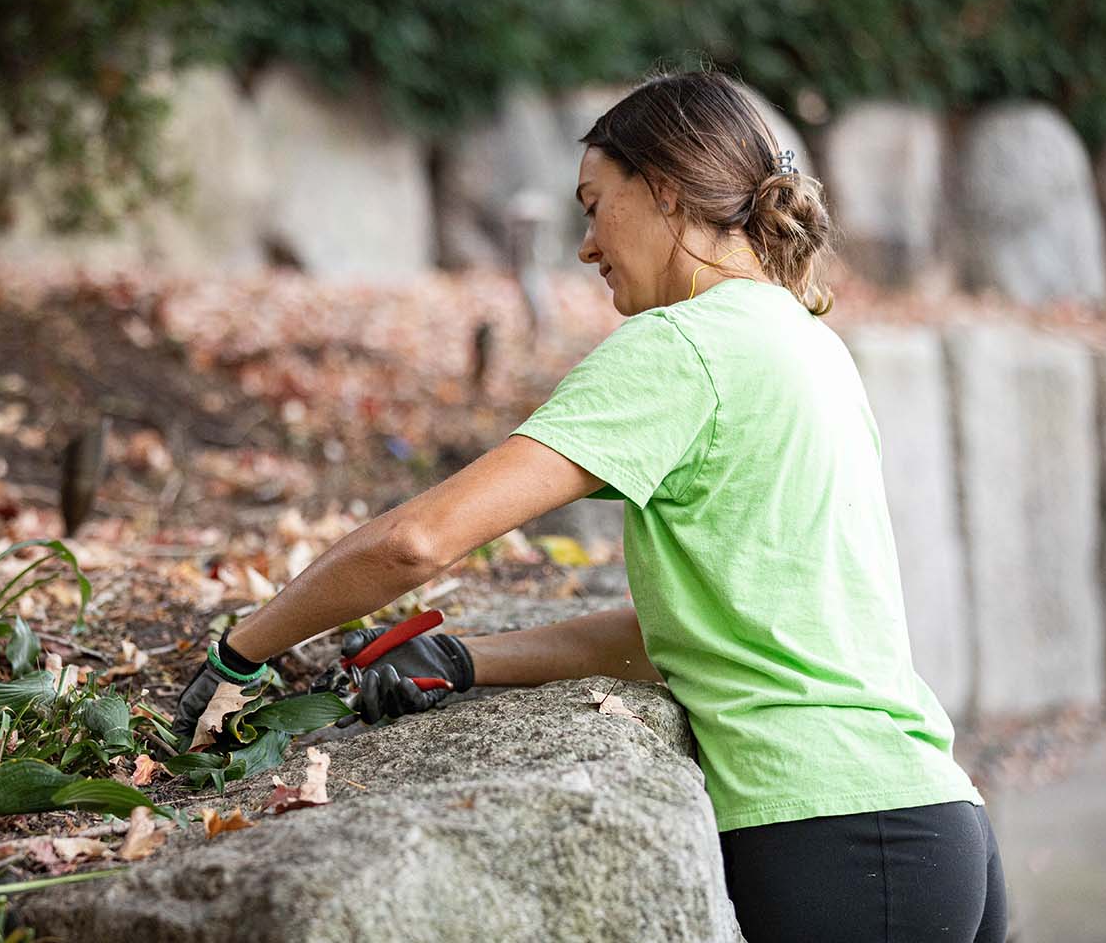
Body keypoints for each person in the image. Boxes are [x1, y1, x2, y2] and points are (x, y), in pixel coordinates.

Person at [172, 69, 1007, 942]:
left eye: (594, 204)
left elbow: (417, 543)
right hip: (942, 824)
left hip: (834, 839)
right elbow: (699, 632)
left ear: (666, 191)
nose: (585, 245)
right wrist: (462, 657)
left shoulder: (682, 345)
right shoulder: (807, 346)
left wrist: (241, 653)